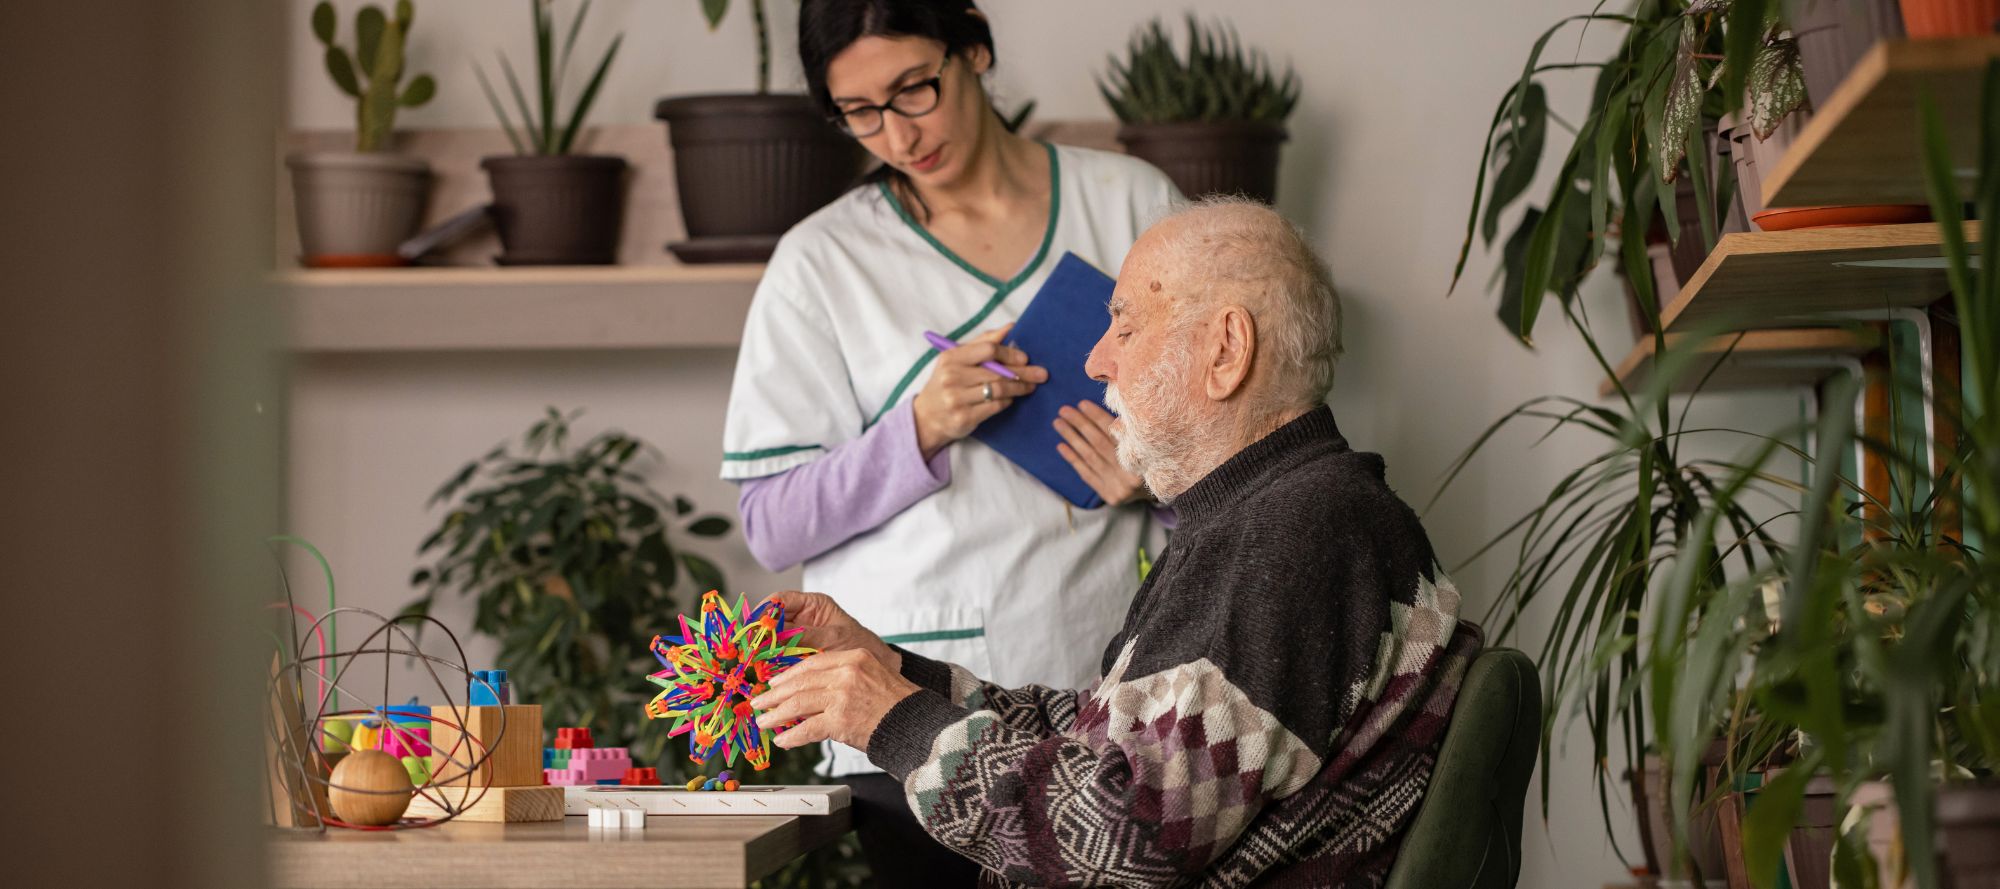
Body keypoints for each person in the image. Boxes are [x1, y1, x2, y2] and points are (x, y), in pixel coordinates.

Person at [749, 199, 1484, 887]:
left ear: (1227, 349)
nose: (1098, 360)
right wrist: (891, 672)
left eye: (1125, 327)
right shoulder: (1268, 515)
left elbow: (1125, 843)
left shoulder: (1298, 536)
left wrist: (890, 719)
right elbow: (1105, 745)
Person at [716, 1, 1182, 883]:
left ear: (973, 51)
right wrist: (919, 428)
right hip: (901, 718)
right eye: (860, 111)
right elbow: (772, 524)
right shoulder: (820, 263)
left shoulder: (1132, 203)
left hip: (1101, 697)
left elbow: (1237, 438)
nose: (896, 132)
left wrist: (1150, 474)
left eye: (913, 89)